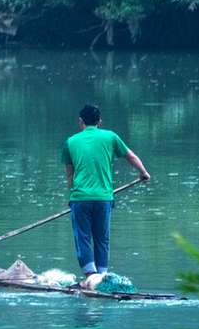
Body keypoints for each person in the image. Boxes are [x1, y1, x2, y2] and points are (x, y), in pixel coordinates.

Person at [61, 104, 149, 290]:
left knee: (82, 236)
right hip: (103, 198)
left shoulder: (70, 142)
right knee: (102, 238)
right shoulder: (110, 137)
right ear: (100, 122)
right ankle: (101, 275)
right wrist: (144, 173)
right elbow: (131, 157)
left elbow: (70, 175)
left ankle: (91, 277)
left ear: (80, 122)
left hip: (80, 198)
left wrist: (72, 197)